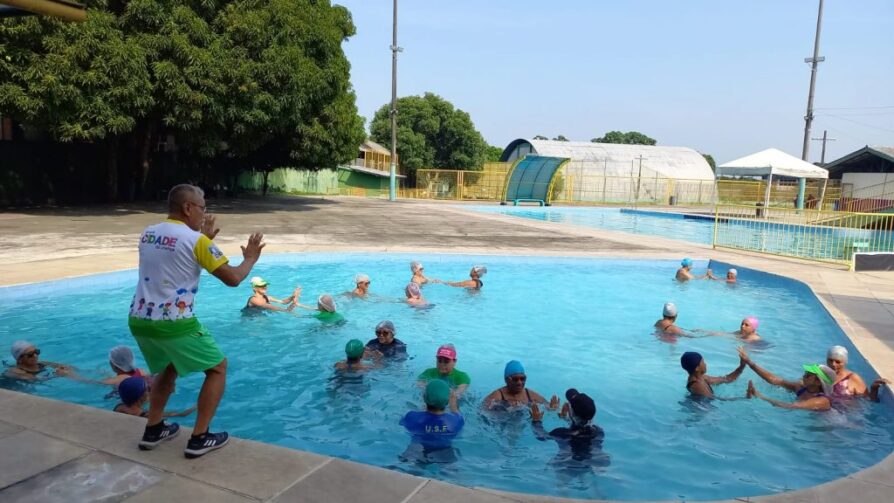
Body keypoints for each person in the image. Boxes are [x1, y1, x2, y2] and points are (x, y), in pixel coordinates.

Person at [128, 183, 264, 459]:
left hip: (140, 318)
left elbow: (175, 256)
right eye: (202, 207)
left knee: (167, 367)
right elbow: (234, 279)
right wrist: (249, 259)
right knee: (217, 368)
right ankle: (200, 437)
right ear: (188, 207)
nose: (204, 213)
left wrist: (203, 240)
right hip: (175, 322)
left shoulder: (148, 234)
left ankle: (153, 429)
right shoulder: (197, 242)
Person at [529, 388, 607, 464]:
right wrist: (566, 418)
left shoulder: (561, 433)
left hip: (567, 465)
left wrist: (536, 421)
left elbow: (541, 436)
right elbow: (582, 426)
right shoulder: (599, 431)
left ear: (571, 414)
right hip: (595, 461)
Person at [400, 380, 464, 451]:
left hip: (417, 451)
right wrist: (453, 403)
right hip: (446, 455)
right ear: (448, 401)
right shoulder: (456, 421)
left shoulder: (411, 417)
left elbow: (402, 423)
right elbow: (457, 413)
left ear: (424, 398)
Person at [746, 364, 834, 411]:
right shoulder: (801, 388)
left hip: (829, 426)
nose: (803, 376)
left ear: (818, 382)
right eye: (805, 373)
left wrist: (761, 396)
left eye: (808, 375)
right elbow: (776, 380)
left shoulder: (821, 401)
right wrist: (751, 364)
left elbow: (791, 406)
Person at [483, 360, 558, 410]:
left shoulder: (529, 394)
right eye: (515, 379)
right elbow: (482, 412)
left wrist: (552, 408)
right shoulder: (498, 395)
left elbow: (547, 405)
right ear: (507, 380)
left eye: (522, 379)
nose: (519, 382)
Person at [114, 376, 196, 418]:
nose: (149, 391)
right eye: (147, 389)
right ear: (141, 397)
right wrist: (196, 406)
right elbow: (182, 414)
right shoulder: (146, 415)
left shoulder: (119, 407)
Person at [680, 351, 746, 398]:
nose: (705, 364)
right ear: (697, 368)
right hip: (703, 411)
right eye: (703, 362)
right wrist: (745, 397)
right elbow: (715, 399)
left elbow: (726, 379)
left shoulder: (702, 378)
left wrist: (742, 366)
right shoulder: (697, 386)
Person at [5, 341, 73, 381]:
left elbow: (64, 366)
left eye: (36, 352)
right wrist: (56, 375)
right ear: (19, 359)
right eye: (30, 354)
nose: (35, 356)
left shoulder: (40, 363)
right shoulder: (15, 372)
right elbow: (36, 380)